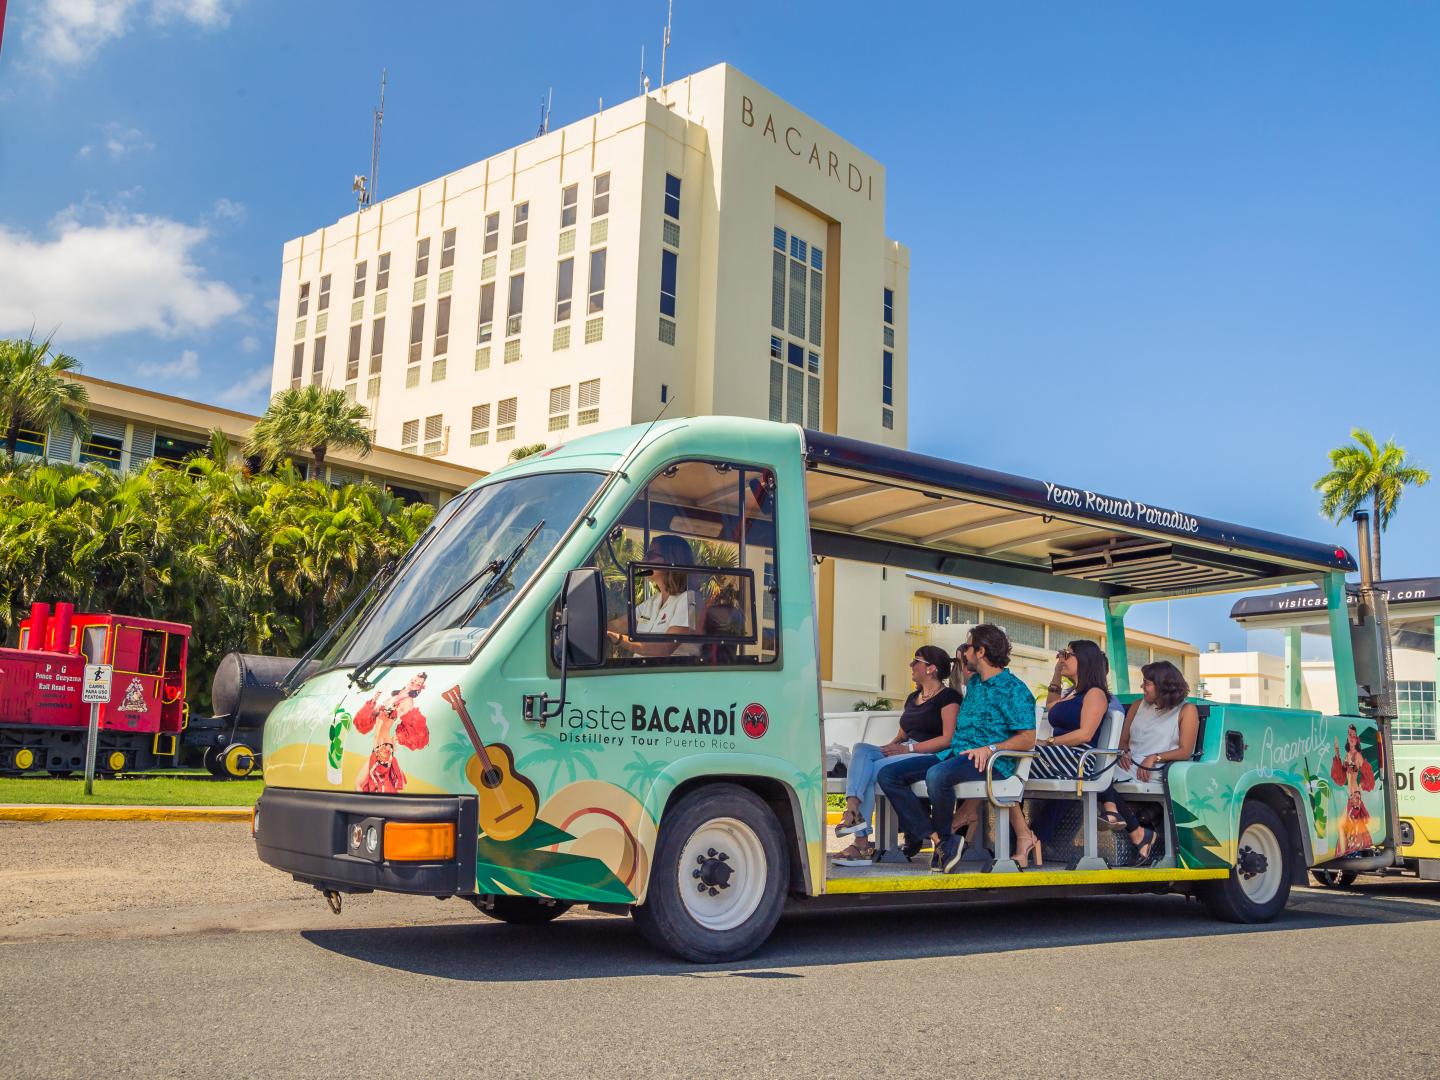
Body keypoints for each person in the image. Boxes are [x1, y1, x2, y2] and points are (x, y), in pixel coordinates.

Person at [877, 624, 1036, 873]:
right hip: (955, 753)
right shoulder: (975, 685)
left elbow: (1028, 738)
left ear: (981, 652)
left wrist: (990, 748)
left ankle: (946, 841)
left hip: (991, 761)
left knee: (937, 775)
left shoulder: (1014, 689)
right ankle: (941, 840)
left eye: (968, 648)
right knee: (888, 775)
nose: (963, 655)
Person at [832, 646, 961, 865]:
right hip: (906, 749)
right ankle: (853, 810)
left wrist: (907, 749)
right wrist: (886, 749)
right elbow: (902, 735)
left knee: (873, 770)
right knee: (862, 750)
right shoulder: (913, 697)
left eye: (915, 661)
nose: (911, 665)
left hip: (927, 753)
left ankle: (861, 844)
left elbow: (947, 739)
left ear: (931, 668)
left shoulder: (949, 697)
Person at [1023, 640, 1121, 867]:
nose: (1062, 658)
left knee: (1010, 759)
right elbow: (1051, 706)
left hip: (1077, 759)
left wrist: (1048, 742)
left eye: (1068, 654)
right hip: (1059, 755)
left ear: (1085, 660)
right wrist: (1057, 670)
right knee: (1009, 761)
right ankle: (1027, 835)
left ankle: (1026, 835)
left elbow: (1085, 734)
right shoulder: (1072, 693)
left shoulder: (1094, 693)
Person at [1097, 660, 1200, 866]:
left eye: (1147, 683)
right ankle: (1136, 831)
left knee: (1099, 778)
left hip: (1155, 768)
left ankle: (1125, 821)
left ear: (1163, 685)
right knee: (1094, 773)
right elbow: (1123, 740)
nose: (1142, 687)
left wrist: (1156, 757)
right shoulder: (1137, 705)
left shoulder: (1186, 710)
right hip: (1128, 764)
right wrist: (1124, 751)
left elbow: (1185, 750)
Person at [608, 533, 701, 659]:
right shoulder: (652, 602)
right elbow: (619, 625)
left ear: (671, 560)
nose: (644, 561)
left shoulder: (690, 599)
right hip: (643, 674)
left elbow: (664, 648)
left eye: (651, 555)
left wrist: (618, 639)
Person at [1330, 724, 1376, 855]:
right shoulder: (1347, 755)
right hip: (1351, 796)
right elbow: (1342, 776)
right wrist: (1337, 751)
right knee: (1348, 827)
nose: (1351, 737)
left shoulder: (1357, 756)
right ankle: (1346, 853)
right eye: (1349, 734)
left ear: (1357, 740)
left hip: (1354, 796)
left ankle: (1342, 854)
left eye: (1354, 735)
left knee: (1341, 825)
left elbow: (1368, 775)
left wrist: (1359, 788)